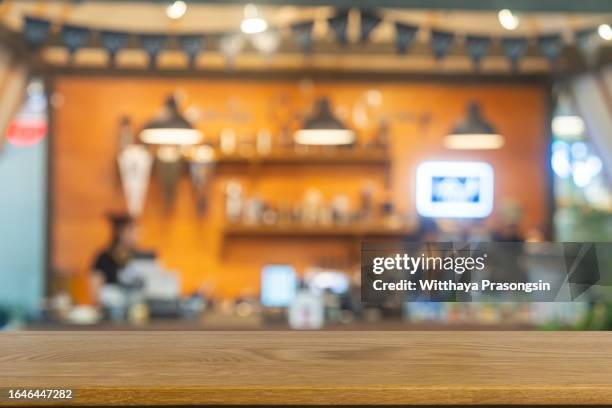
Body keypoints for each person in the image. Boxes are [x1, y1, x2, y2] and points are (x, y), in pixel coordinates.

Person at [90, 213, 139, 302]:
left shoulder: (139, 257)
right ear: (120, 232)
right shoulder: (103, 258)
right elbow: (95, 289)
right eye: (132, 231)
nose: (136, 236)